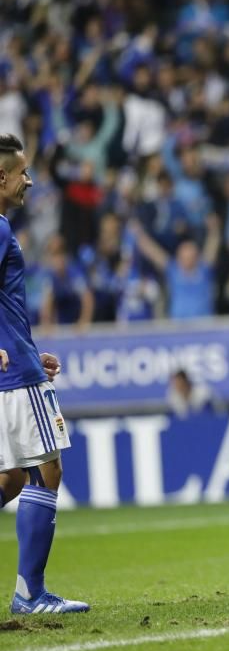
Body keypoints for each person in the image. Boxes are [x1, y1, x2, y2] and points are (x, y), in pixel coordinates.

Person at [0, 133, 89, 614]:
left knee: (11, 477)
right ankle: (30, 594)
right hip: (16, 376)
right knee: (45, 470)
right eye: (22, 173)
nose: (29, 182)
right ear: (1, 176)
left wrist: (33, 350)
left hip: (18, 360)